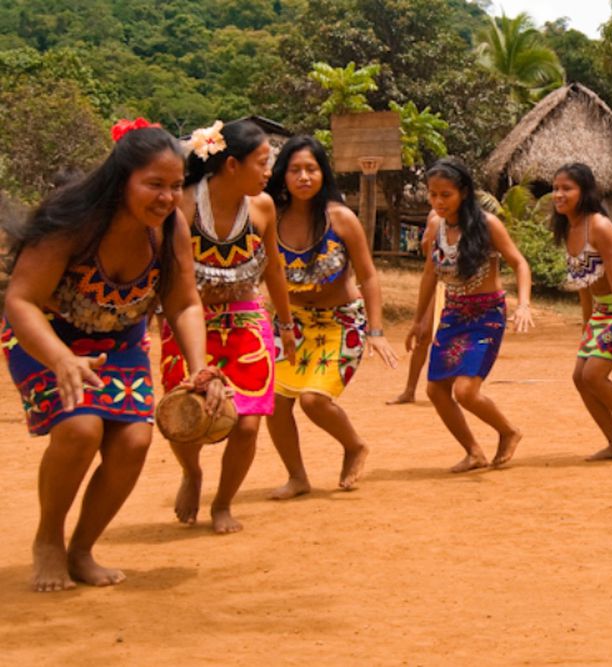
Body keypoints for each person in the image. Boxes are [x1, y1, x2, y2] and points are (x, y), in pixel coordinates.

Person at [2, 119, 224, 591]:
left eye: (175, 186)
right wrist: (62, 360)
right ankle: (48, 540)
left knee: (134, 443)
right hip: (45, 336)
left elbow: (183, 301)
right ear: (121, 178)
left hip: (120, 341)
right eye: (154, 185)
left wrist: (198, 366)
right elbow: (20, 301)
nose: (167, 197)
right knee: (81, 428)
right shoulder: (73, 220)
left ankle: (81, 549)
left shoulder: (170, 228)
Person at [160, 119, 296, 532]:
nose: (269, 172)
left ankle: (222, 504)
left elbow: (273, 268)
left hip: (247, 322)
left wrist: (286, 325)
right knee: (184, 412)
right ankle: (192, 473)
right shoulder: (181, 205)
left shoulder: (263, 208)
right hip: (190, 322)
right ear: (232, 164)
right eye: (262, 163)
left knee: (249, 422)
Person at [263, 136, 398, 498]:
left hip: (341, 323)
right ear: (283, 175)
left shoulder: (341, 219)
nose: (304, 177)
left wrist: (377, 330)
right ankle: (297, 477)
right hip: (292, 325)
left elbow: (368, 275)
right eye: (295, 170)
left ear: (323, 173)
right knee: (273, 403)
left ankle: (353, 445)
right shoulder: (268, 219)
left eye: (312, 168)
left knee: (313, 400)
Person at [406, 158, 533, 472]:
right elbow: (429, 275)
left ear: (463, 192)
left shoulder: (488, 224)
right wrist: (419, 320)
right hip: (453, 313)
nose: (438, 202)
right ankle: (474, 451)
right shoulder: (435, 226)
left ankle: (508, 431)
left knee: (465, 391)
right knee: (436, 389)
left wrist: (524, 305)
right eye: (433, 195)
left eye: (445, 194)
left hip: (486, 315)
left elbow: (519, 263)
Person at [551, 163, 612, 461]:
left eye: (567, 188)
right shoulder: (569, 230)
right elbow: (584, 283)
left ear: (585, 191)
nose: (559, 194)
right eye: (556, 188)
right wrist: (587, 327)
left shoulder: (600, 225)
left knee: (594, 374)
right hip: (602, 309)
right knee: (579, 376)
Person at [387, 212, 446, 405]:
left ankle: (444, 391)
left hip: (455, 285)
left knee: (448, 339)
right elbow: (426, 247)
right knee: (423, 335)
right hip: (439, 283)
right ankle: (409, 390)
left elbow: (425, 245)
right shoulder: (436, 217)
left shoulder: (461, 216)